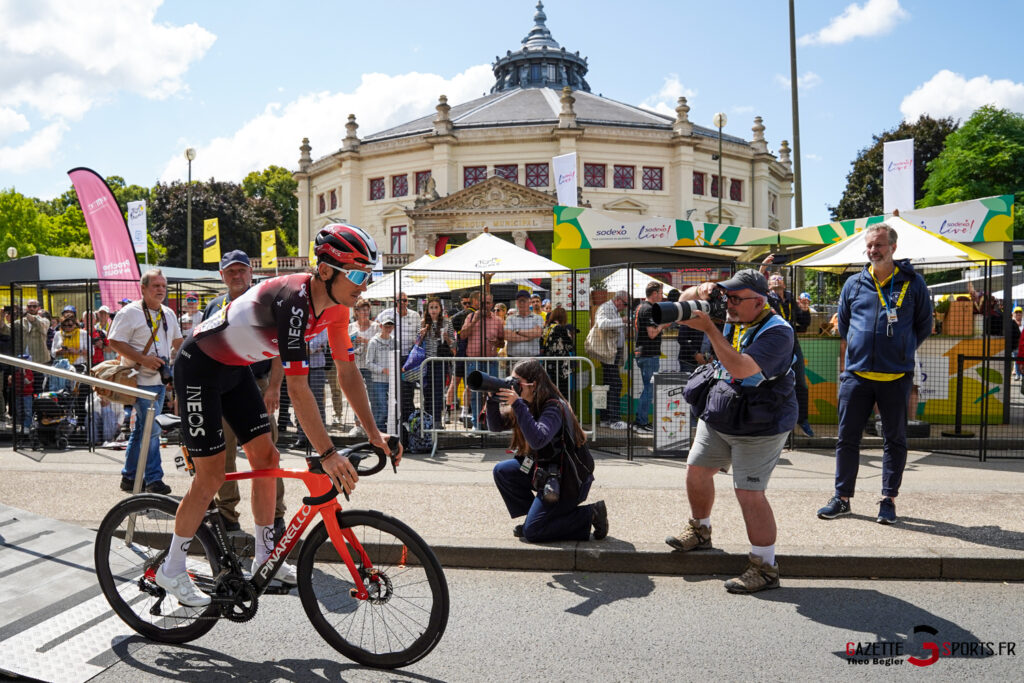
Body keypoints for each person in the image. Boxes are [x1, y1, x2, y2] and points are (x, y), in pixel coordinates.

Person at [157, 223, 401, 607]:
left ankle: (264, 555)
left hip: (235, 370)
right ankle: (171, 568)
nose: (364, 285)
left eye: (368, 275)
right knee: (212, 474)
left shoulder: (338, 308)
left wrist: (374, 434)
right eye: (356, 274)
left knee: (267, 457)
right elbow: (299, 390)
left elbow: (348, 373)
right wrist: (328, 454)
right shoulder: (293, 301)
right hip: (199, 368)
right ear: (325, 271)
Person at [665, 269, 795, 594]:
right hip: (725, 408)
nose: (729, 304)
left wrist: (710, 329)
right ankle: (700, 530)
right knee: (697, 471)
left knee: (749, 493)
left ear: (760, 301)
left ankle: (765, 567)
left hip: (762, 421)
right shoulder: (734, 313)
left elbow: (740, 367)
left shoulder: (779, 332)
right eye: (727, 297)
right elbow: (682, 302)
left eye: (736, 298)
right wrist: (700, 288)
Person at [816, 222, 932, 525]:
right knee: (847, 439)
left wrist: (902, 349)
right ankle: (842, 499)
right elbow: (842, 324)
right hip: (856, 376)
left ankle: (888, 500)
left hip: (896, 377)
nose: (872, 250)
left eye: (878, 245)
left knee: (895, 440)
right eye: (869, 245)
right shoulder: (853, 283)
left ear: (893, 247)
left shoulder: (913, 283)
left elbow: (924, 326)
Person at [202, 250, 288, 534]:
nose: (237, 275)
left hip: (258, 384)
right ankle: (227, 514)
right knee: (221, 455)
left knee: (266, 455)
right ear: (222, 275)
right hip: (221, 387)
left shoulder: (265, 303)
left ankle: (275, 516)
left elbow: (280, 350)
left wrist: (274, 387)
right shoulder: (214, 306)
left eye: (242, 270)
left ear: (251, 272)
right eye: (231, 271)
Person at [488, 358, 606, 542]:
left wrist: (518, 404)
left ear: (532, 384)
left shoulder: (553, 407)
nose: (514, 387)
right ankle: (537, 520)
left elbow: (538, 440)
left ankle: (590, 514)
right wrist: (491, 400)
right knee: (503, 471)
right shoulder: (527, 403)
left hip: (568, 480)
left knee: (533, 533)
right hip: (544, 470)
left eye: (517, 383)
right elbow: (495, 426)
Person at [107, 269, 183, 496]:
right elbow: (113, 341)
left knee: (142, 430)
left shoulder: (168, 313)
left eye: (163, 285)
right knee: (152, 431)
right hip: (138, 380)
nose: (161, 290)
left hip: (159, 381)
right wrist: (143, 360)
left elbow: (179, 343)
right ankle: (153, 479)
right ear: (143, 289)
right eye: (155, 286)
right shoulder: (129, 312)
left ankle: (129, 477)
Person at [762, 270, 813, 436]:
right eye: (773, 279)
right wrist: (762, 270)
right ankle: (774, 423)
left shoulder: (791, 298)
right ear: (769, 285)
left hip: (793, 343)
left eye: (779, 278)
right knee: (773, 382)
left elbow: (803, 325)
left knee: (800, 383)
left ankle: (802, 420)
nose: (777, 280)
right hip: (775, 344)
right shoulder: (767, 298)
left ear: (784, 283)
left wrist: (805, 310)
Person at [461, 282, 504, 428]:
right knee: (475, 393)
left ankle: (491, 423)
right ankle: (476, 424)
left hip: (491, 361)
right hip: (473, 361)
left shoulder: (497, 320)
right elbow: (463, 335)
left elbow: (502, 343)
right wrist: (475, 320)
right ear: (478, 303)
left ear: (492, 304)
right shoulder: (471, 316)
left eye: (488, 303)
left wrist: (496, 341)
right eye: (483, 303)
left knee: (492, 394)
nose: (485, 305)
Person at [633, 281, 672, 432]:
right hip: (648, 354)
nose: (662, 296)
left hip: (644, 353)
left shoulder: (640, 306)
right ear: (654, 293)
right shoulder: (648, 309)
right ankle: (641, 423)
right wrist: (664, 325)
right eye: (661, 293)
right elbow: (652, 333)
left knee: (648, 388)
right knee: (649, 389)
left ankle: (641, 421)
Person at [376, 293, 420, 422]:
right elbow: (376, 326)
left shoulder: (415, 315)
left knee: (409, 387)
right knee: (392, 388)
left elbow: (419, 334)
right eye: (399, 300)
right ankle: (393, 418)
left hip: (409, 357)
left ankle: (408, 418)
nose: (402, 303)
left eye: (405, 300)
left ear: (408, 302)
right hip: (391, 355)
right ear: (395, 301)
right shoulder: (386, 313)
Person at [594, 290, 628, 430]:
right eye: (625, 304)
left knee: (608, 384)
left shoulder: (613, 309)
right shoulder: (606, 307)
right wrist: (622, 321)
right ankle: (614, 419)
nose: (625, 307)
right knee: (615, 384)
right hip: (608, 352)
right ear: (618, 300)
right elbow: (602, 324)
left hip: (613, 351)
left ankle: (606, 418)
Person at [420, 297, 455, 424]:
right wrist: (421, 335)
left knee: (438, 391)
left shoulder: (447, 323)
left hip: (440, 361)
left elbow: (454, 344)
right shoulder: (423, 322)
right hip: (426, 361)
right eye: (431, 307)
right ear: (427, 309)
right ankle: (427, 420)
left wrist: (447, 338)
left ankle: (436, 420)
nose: (434, 310)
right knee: (427, 391)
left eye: (436, 307)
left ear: (440, 309)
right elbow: (416, 343)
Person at [347, 298, 379, 436]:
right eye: (362, 310)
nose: (365, 312)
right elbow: (345, 344)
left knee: (373, 395)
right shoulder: (351, 327)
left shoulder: (376, 326)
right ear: (356, 312)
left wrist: (365, 341)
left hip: (370, 365)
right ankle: (357, 424)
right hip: (356, 365)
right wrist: (351, 342)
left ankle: (373, 425)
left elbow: (380, 343)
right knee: (357, 396)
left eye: (367, 309)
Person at [449, 290, 479, 425]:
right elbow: (452, 329)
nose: (467, 305)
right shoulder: (460, 316)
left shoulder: (479, 314)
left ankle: (464, 412)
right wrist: (453, 346)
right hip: (463, 351)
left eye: (468, 302)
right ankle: (449, 412)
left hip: (471, 352)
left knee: (468, 384)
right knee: (456, 382)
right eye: (465, 303)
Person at [365, 313, 396, 432]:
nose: (388, 328)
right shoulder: (373, 342)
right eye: (386, 326)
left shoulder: (395, 341)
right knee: (382, 407)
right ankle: (379, 431)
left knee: (392, 407)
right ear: (380, 326)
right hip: (378, 380)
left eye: (390, 326)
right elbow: (368, 363)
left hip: (392, 380)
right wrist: (382, 370)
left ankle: (385, 431)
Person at [541, 306, 575, 399]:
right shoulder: (562, 329)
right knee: (563, 392)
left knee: (551, 390)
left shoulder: (546, 328)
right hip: (561, 366)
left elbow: (542, 344)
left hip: (548, 364)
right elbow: (570, 346)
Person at [505, 290, 544, 360]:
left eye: (524, 301)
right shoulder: (510, 318)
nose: (522, 303)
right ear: (516, 303)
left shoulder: (538, 318)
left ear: (529, 302)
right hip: (513, 358)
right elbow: (507, 335)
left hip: (532, 358)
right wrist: (528, 337)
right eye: (520, 301)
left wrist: (517, 331)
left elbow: (537, 333)